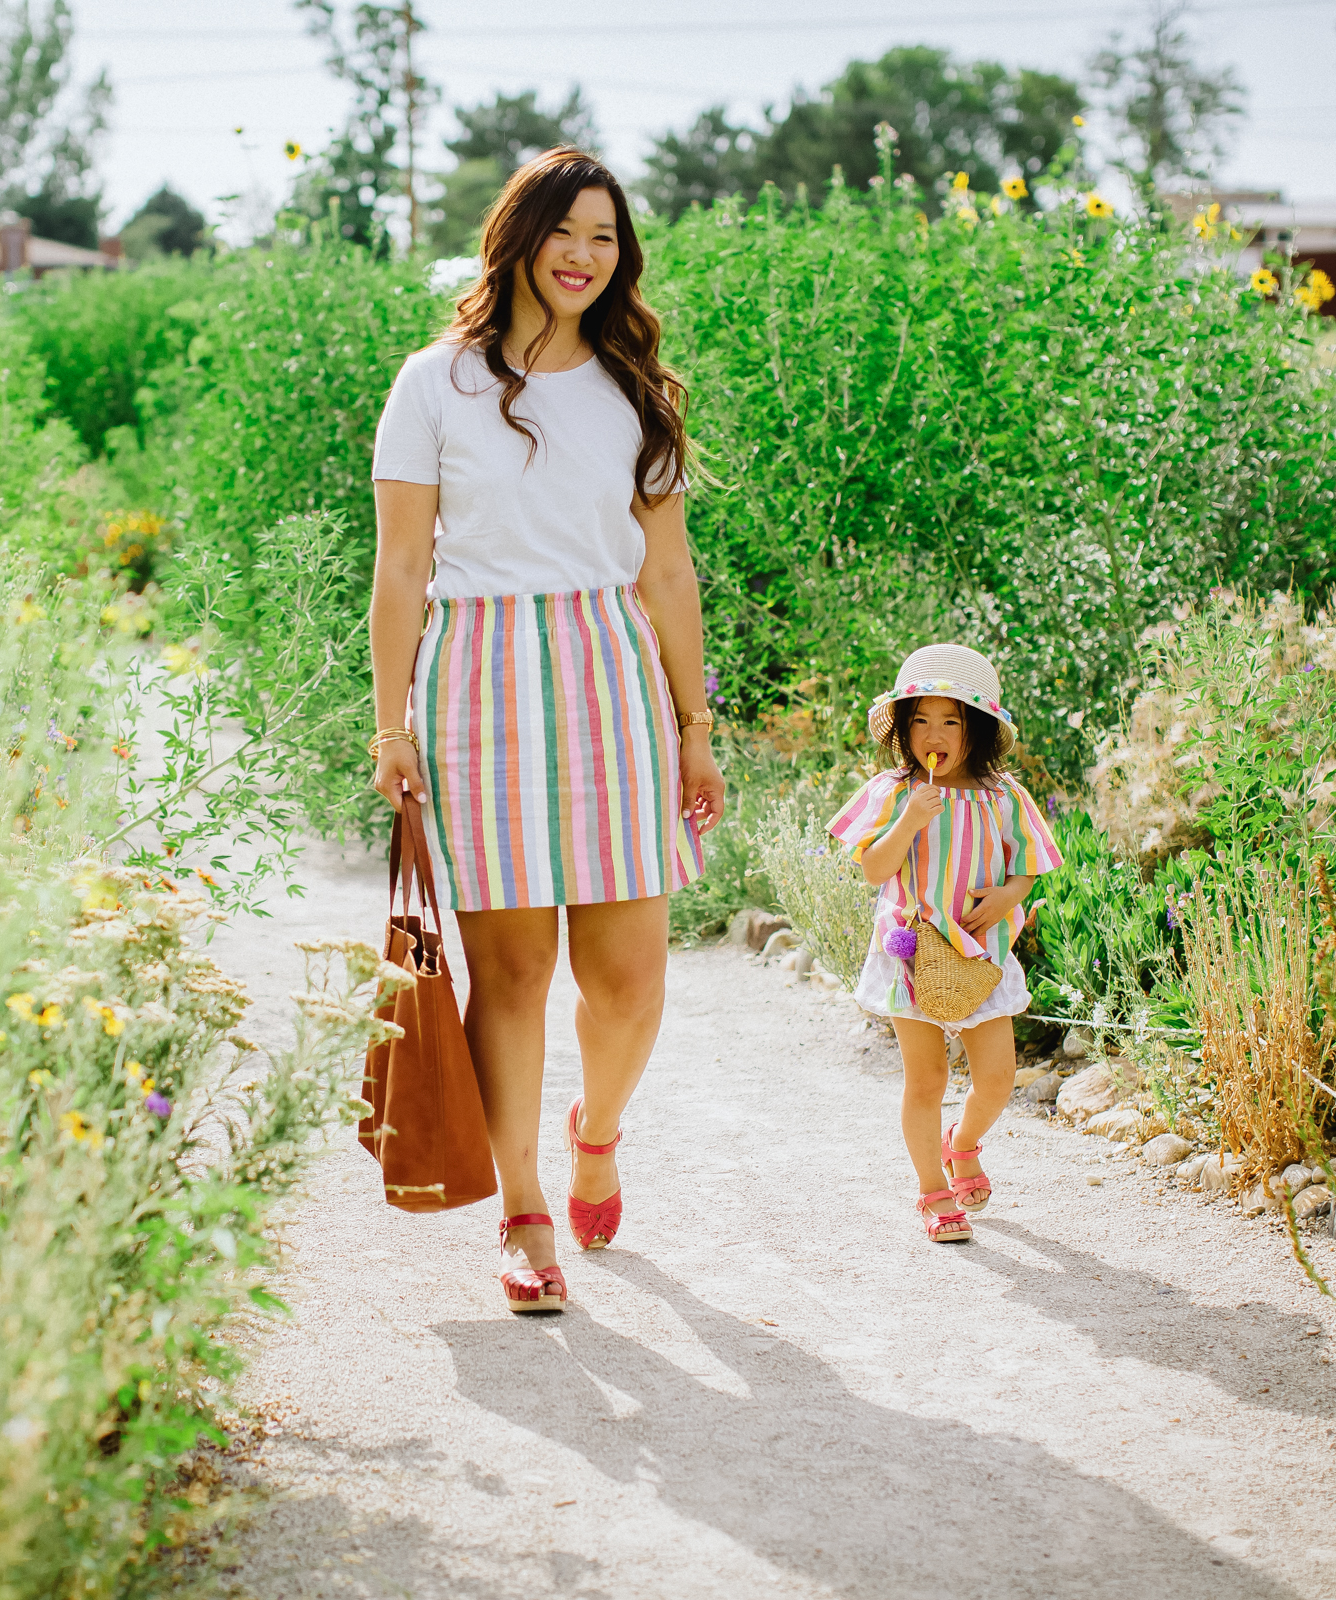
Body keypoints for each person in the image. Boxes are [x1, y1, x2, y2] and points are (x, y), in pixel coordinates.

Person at [367, 148, 724, 1314]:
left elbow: (668, 574)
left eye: (605, 238)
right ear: (516, 238)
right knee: (511, 974)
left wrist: (695, 726)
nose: (583, 255)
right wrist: (391, 728)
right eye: (565, 231)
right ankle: (523, 1209)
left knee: (629, 982)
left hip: (609, 674)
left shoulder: (636, 391)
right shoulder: (433, 382)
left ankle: (596, 1130)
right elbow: (404, 565)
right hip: (475, 679)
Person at [828, 644, 1063, 1244]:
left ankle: (960, 1144)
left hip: (980, 953)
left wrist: (1011, 895)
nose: (935, 733)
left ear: (975, 729)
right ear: (904, 731)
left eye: (952, 720)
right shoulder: (893, 790)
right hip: (912, 950)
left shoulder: (1002, 794)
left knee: (997, 1077)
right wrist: (909, 818)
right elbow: (875, 871)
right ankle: (933, 1191)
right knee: (926, 1078)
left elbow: (1030, 862)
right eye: (921, 721)